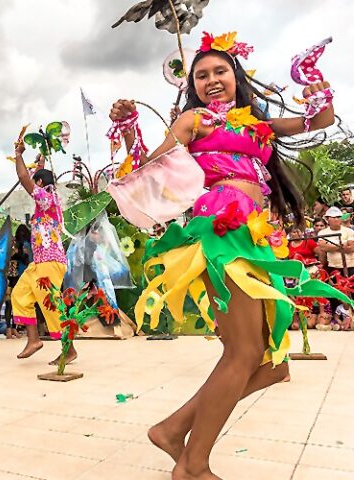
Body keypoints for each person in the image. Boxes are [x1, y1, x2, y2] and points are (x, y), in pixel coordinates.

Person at [109, 32, 349, 479]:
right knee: (242, 353)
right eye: (201, 75)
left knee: (273, 365)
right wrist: (128, 133)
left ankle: (173, 428)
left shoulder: (256, 125)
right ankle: (193, 465)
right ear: (192, 85)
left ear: (235, 75)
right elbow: (148, 172)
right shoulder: (194, 122)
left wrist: (313, 79)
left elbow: (321, 120)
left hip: (257, 239)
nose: (211, 79)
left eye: (220, 71)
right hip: (219, 231)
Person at [11, 144, 73, 365]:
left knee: (50, 304)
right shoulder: (47, 199)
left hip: (51, 261)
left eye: (35, 180)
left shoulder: (46, 197)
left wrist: (18, 155)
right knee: (20, 295)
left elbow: (22, 176)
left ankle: (69, 349)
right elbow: (33, 177)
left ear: (39, 184)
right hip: (40, 262)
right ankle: (34, 340)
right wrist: (40, 164)